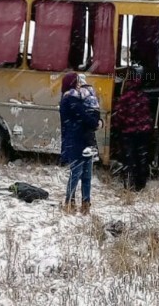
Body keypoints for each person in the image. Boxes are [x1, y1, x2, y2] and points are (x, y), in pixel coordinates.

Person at [60, 72, 100, 215]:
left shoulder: (74, 99)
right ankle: (69, 202)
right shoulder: (70, 100)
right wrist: (96, 122)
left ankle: (85, 204)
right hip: (75, 142)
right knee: (77, 173)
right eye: (76, 82)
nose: (79, 85)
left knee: (86, 175)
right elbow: (84, 116)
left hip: (83, 141)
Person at [111, 67, 154, 191]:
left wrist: (117, 126)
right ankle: (141, 184)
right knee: (142, 158)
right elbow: (147, 116)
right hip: (143, 133)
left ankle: (129, 185)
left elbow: (120, 115)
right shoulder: (144, 97)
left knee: (129, 159)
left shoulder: (126, 97)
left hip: (128, 133)